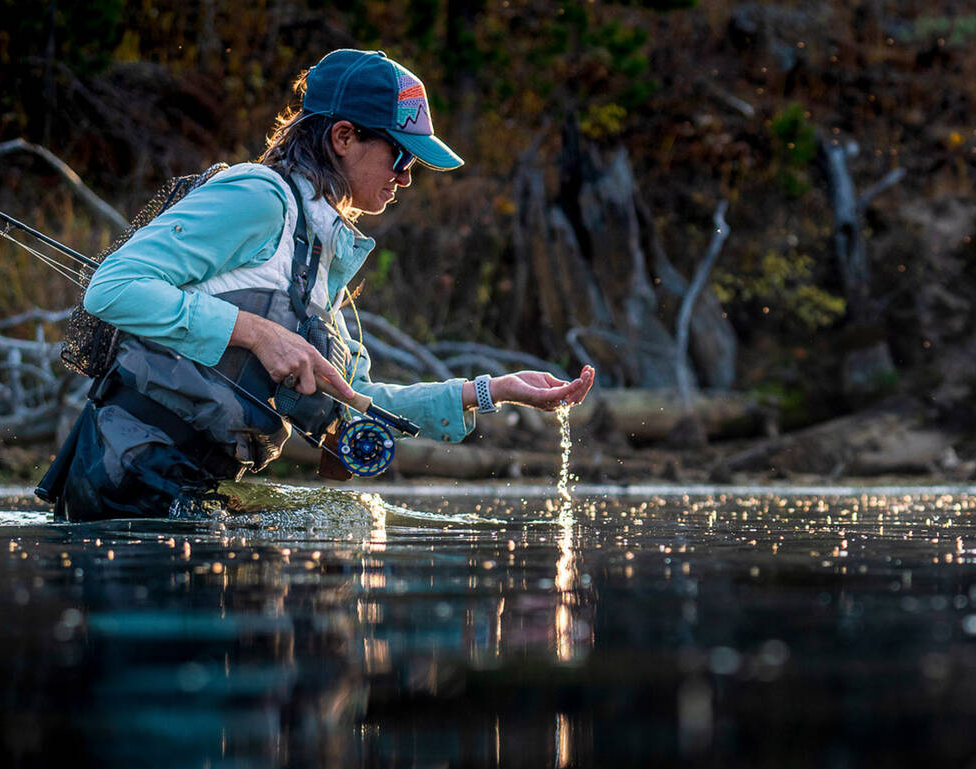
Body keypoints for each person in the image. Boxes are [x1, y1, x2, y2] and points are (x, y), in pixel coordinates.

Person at [40, 48, 594, 520]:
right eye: (401, 156)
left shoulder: (322, 254)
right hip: (125, 481)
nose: (406, 177)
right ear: (344, 137)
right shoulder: (258, 197)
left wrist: (491, 390)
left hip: (182, 487)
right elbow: (113, 287)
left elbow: (361, 401)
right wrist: (257, 333)